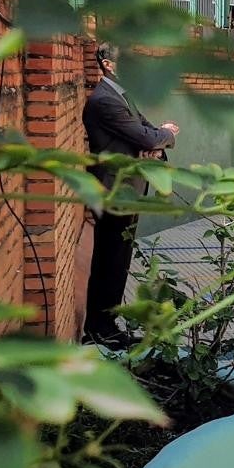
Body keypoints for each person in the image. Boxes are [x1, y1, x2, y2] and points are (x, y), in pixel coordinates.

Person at [82, 44, 178, 348]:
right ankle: (98, 331)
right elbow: (145, 135)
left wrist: (155, 139)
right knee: (109, 262)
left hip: (129, 190)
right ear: (109, 65)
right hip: (114, 192)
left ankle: (107, 327)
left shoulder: (122, 95)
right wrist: (165, 135)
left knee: (119, 260)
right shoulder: (104, 101)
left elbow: (145, 130)